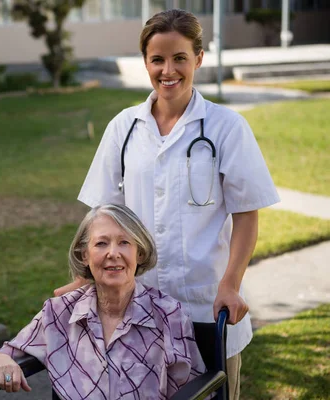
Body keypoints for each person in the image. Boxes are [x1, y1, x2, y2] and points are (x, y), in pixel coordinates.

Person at [54, 8, 280, 400]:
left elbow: (246, 214)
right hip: (135, 310)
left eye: (179, 58)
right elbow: (102, 219)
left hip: (207, 308)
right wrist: (84, 280)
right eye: (157, 59)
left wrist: (230, 284)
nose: (168, 70)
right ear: (145, 62)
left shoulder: (227, 128)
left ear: (199, 59)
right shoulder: (123, 129)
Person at [0, 204, 206, 399]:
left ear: (140, 254)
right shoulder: (58, 313)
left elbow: (196, 391)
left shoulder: (168, 316)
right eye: (101, 244)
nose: (113, 253)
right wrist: (0, 360)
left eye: (124, 242)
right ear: (84, 256)